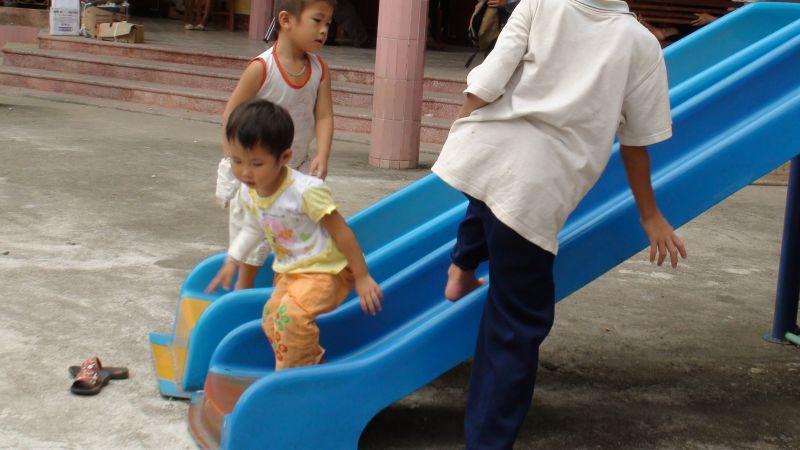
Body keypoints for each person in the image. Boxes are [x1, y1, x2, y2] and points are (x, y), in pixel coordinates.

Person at [431, 0, 687, 448]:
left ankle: (461, 267)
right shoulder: (640, 45)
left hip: (487, 151)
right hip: (535, 193)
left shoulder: (539, 3)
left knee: (489, 189)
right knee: (516, 327)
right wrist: (650, 214)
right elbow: (636, 143)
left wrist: (460, 138)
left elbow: (487, 82)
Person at [207, 100, 384, 370]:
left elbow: (342, 232)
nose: (245, 171)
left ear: (284, 158)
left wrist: (361, 276)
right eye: (237, 160)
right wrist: (232, 259)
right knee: (270, 316)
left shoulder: (305, 191)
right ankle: (305, 361)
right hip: (290, 273)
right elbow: (253, 228)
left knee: (291, 315)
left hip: (326, 271)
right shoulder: (249, 190)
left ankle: (300, 370)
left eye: (256, 163)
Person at [216, 0, 336, 290]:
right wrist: (238, 163)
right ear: (286, 20)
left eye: (328, 24)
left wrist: (322, 153)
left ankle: (288, 288)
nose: (323, 30)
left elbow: (324, 115)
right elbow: (231, 115)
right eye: (317, 21)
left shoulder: (319, 69)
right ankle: (242, 294)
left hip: (295, 168)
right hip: (259, 174)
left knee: (296, 231)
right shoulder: (262, 68)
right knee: (253, 241)